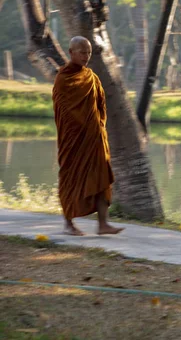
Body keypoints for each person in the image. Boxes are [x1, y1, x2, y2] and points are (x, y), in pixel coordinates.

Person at [52, 36, 124, 236]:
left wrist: (98, 127)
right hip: (73, 139)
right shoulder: (63, 78)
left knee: (102, 177)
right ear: (71, 52)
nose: (86, 56)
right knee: (70, 178)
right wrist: (81, 126)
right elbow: (63, 110)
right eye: (82, 52)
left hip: (94, 137)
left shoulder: (91, 77)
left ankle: (103, 224)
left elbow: (100, 105)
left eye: (89, 52)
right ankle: (69, 224)